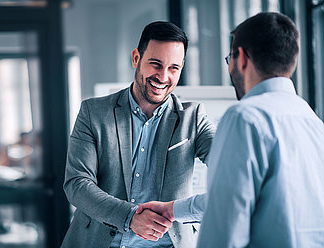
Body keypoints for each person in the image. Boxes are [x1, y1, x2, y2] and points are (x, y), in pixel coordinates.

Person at [137, 12, 324, 247]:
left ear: (242, 58)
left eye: (230, 59)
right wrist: (173, 209)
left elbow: (224, 224)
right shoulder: (313, 122)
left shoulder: (245, 118)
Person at [61, 21, 216, 248]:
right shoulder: (93, 113)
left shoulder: (194, 118)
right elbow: (77, 184)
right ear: (136, 58)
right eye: (155, 64)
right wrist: (130, 217)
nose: (163, 76)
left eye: (174, 68)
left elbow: (231, 170)